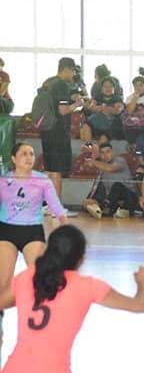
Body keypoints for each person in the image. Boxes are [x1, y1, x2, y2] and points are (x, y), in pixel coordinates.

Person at [0, 225, 144, 373]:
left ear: (48, 251)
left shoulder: (28, 277)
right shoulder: (88, 287)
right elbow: (139, 305)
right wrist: (142, 285)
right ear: (81, 259)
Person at [0, 142, 68, 338]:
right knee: (3, 283)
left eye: (31, 153)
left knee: (39, 276)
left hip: (32, 232)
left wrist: (65, 228)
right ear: (13, 159)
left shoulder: (43, 180)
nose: (29, 157)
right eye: (23, 154)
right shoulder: (4, 180)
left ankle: (42, 318)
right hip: (6, 232)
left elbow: (56, 206)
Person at [40, 57, 83, 214]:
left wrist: (72, 97)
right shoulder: (61, 84)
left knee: (51, 169)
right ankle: (56, 207)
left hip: (46, 130)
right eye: (72, 71)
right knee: (57, 170)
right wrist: (77, 104)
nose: (73, 75)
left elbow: (55, 99)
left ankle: (49, 205)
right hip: (58, 131)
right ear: (66, 69)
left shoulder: (48, 82)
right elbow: (63, 110)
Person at [81, 143, 138, 219]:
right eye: (102, 153)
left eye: (108, 152)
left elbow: (110, 168)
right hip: (113, 200)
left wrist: (93, 161)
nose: (105, 155)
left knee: (117, 185)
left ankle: (103, 209)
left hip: (129, 198)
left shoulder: (120, 160)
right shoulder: (102, 168)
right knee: (86, 202)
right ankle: (111, 210)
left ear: (113, 152)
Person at [81, 77, 125, 143]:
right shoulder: (97, 97)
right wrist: (105, 109)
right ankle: (88, 148)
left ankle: (97, 150)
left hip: (110, 125)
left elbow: (117, 110)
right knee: (85, 126)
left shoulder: (117, 98)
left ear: (114, 88)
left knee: (103, 137)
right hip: (95, 122)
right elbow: (92, 107)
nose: (108, 88)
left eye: (110, 86)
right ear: (101, 88)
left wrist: (101, 108)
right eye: (105, 86)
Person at [123, 76, 144, 145]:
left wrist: (135, 115)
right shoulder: (129, 98)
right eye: (136, 86)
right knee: (126, 120)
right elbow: (129, 111)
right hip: (135, 120)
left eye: (140, 85)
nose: (138, 88)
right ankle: (132, 145)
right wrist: (135, 99)